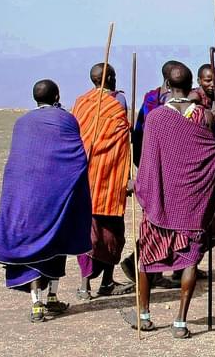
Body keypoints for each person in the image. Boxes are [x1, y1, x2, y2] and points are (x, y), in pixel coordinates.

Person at [120, 63, 215, 339]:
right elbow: (212, 161)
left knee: (146, 257)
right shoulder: (204, 117)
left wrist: (138, 185)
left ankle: (144, 315)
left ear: (166, 84)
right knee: (190, 261)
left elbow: (148, 161)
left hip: (162, 203)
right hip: (192, 204)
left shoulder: (155, 118)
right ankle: (180, 322)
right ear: (192, 86)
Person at [0, 79, 91, 322]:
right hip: (57, 192)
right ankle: (50, 298)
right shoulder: (66, 119)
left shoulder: (21, 122)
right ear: (57, 97)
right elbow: (76, 156)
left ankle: (38, 303)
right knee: (57, 241)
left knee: (32, 243)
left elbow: (18, 161)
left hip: (26, 194)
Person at [72, 63, 134, 299]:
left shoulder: (81, 102)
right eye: (114, 76)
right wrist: (127, 177)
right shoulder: (118, 102)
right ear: (109, 78)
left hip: (85, 177)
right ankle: (106, 282)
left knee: (89, 232)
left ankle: (85, 285)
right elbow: (122, 143)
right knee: (111, 232)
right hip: (109, 178)